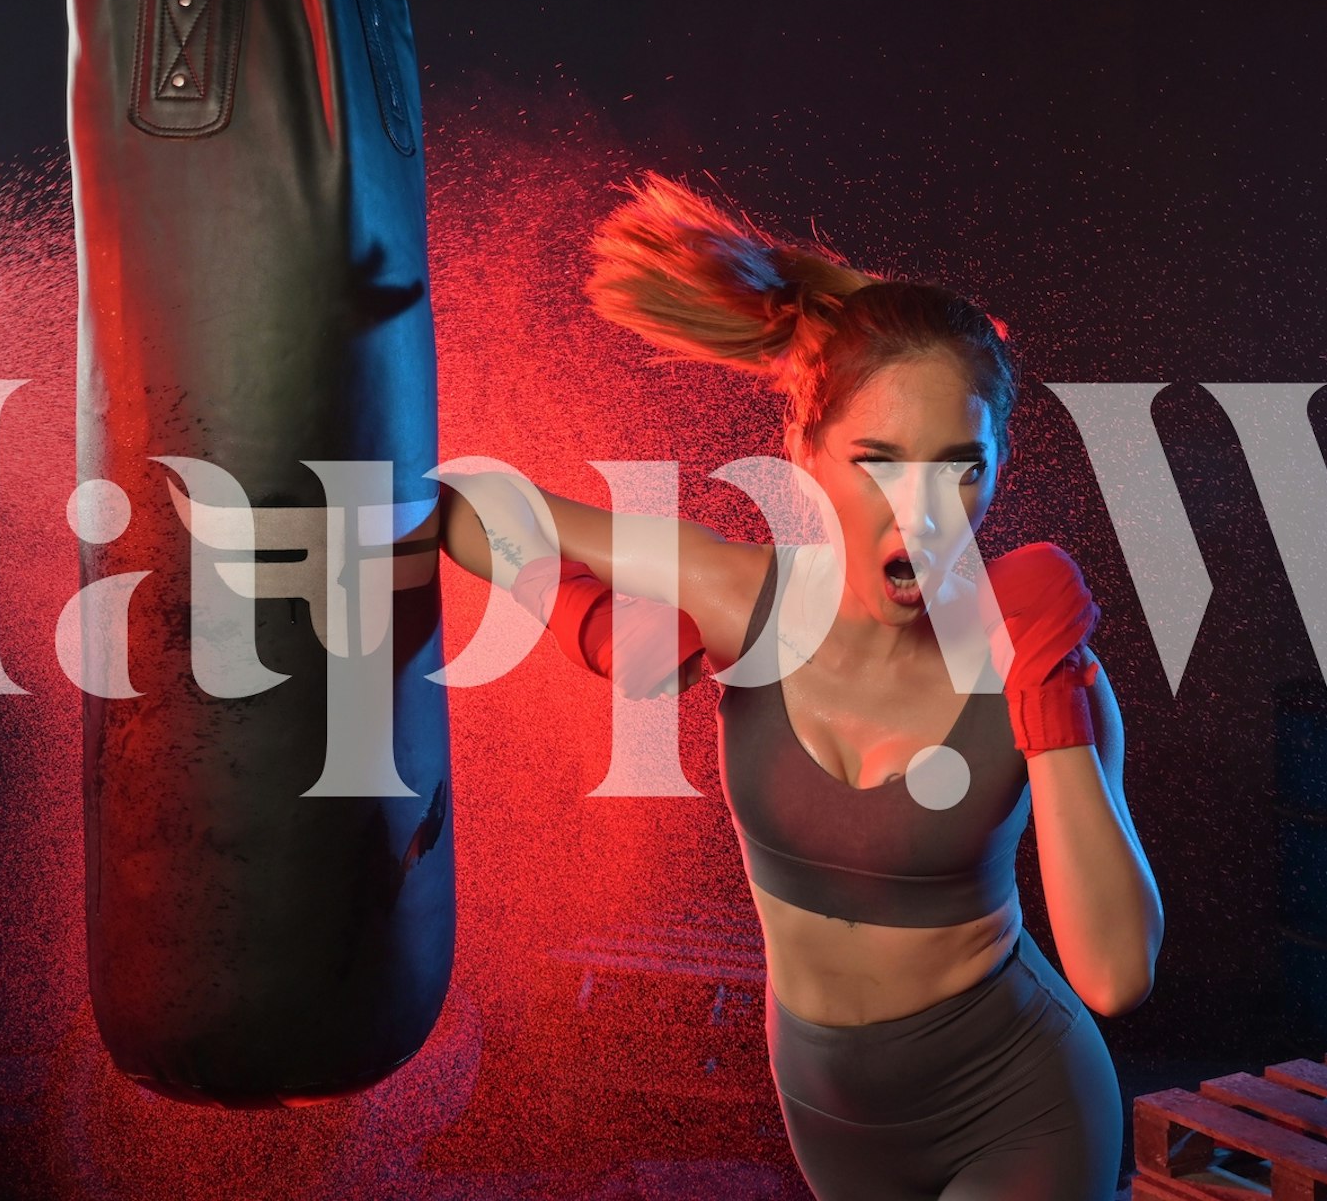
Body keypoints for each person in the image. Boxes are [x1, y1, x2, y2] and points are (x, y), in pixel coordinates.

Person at [437, 172, 1164, 1200]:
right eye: (878, 460)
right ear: (805, 455)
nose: (920, 512)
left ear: (1000, 466)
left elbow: (1115, 973)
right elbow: (466, 502)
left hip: (1020, 1105)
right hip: (831, 1122)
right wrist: (587, 617)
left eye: (960, 465)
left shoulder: (1039, 655)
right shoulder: (743, 598)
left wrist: (1049, 698)